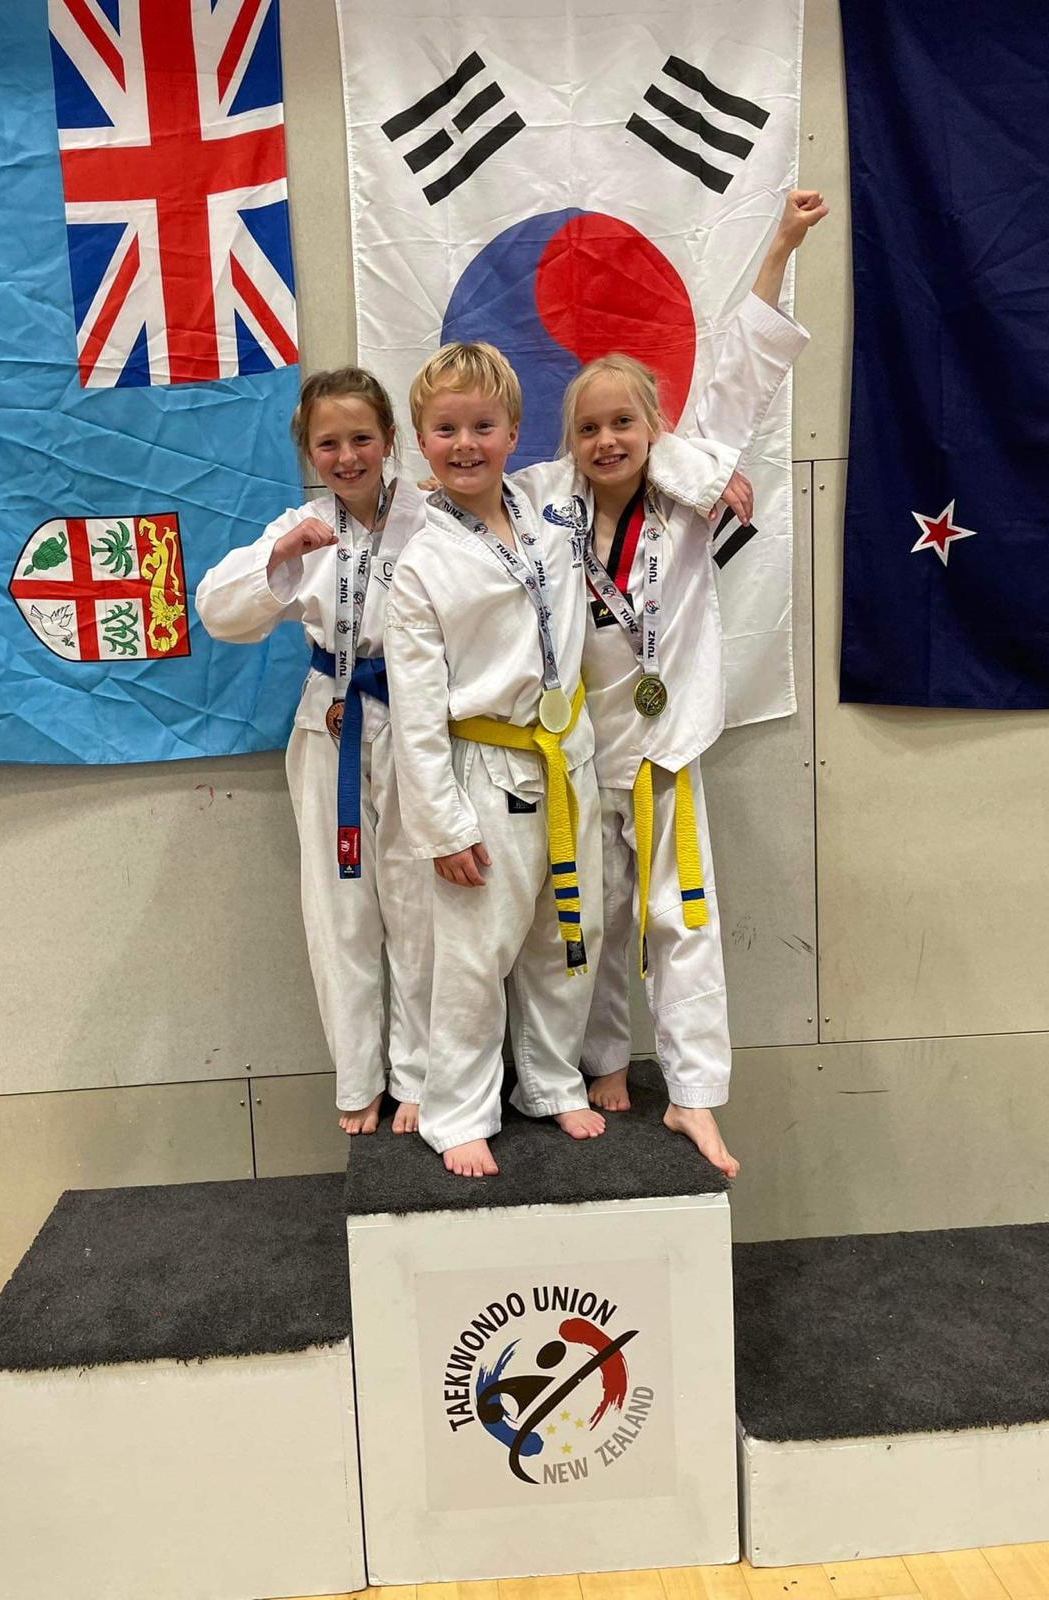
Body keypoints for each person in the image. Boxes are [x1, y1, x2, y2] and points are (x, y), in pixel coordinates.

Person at [511, 189, 828, 1178]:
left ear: (655, 427)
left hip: (663, 750)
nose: (607, 439)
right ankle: (603, 1059)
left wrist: (780, 244)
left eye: (624, 421)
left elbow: (741, 377)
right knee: (589, 917)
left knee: (681, 920)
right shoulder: (544, 502)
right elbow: (465, 478)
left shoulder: (687, 497)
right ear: (569, 439)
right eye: (589, 427)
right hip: (576, 751)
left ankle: (693, 1096)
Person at [384, 342, 607, 1177]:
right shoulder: (420, 564)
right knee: (476, 956)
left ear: (515, 432)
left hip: (567, 757)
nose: (466, 444)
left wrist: (710, 482)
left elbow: (638, 447)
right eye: (446, 430)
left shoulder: (555, 505)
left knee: (567, 933)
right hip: (483, 769)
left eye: (483, 426)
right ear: (421, 442)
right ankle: (457, 1110)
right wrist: (442, 826)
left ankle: (551, 1081)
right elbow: (415, 714)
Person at [196, 369, 431, 1137]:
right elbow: (217, 611)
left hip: (418, 720)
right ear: (308, 451)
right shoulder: (302, 526)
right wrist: (280, 557)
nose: (347, 456)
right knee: (340, 908)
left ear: (389, 440)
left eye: (362, 438)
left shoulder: (431, 517)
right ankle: (360, 1080)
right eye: (328, 443)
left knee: (419, 904)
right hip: (331, 721)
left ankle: (421, 1077)